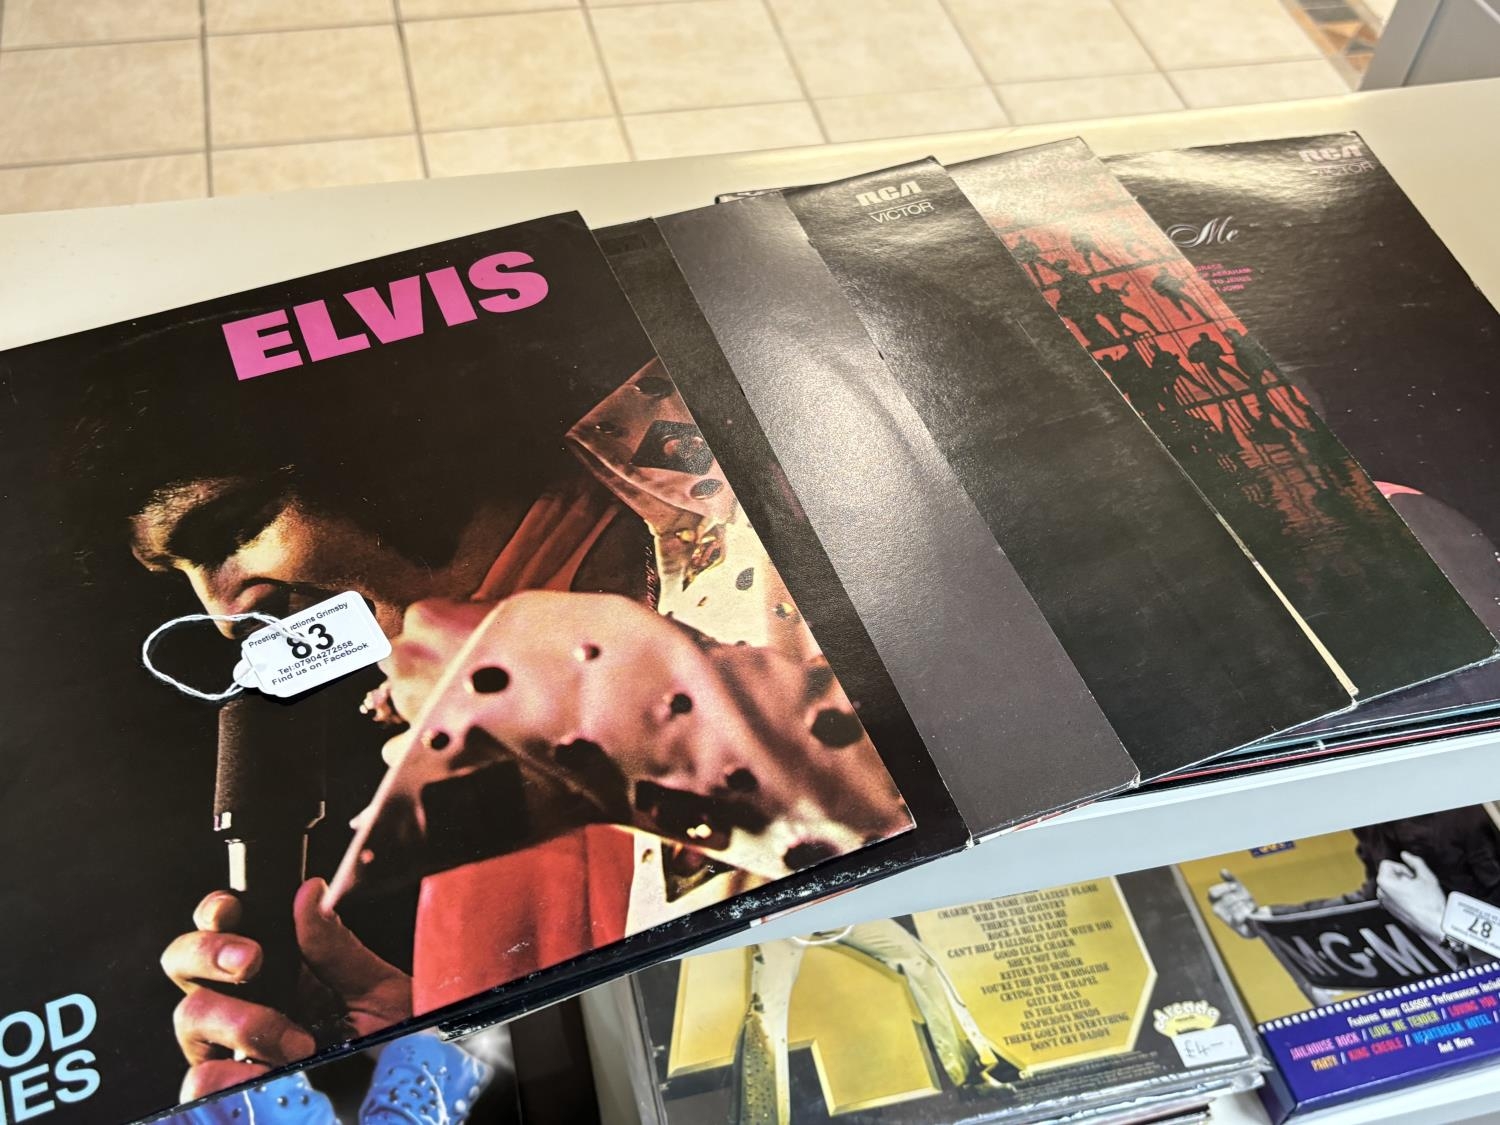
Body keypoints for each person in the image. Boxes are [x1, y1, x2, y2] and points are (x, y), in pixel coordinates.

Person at [67, 341, 908, 1099]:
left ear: (391, 429)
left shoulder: (795, 464)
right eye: (186, 575)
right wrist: (437, 1058)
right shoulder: (467, 799)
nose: (222, 616)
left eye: (236, 527)